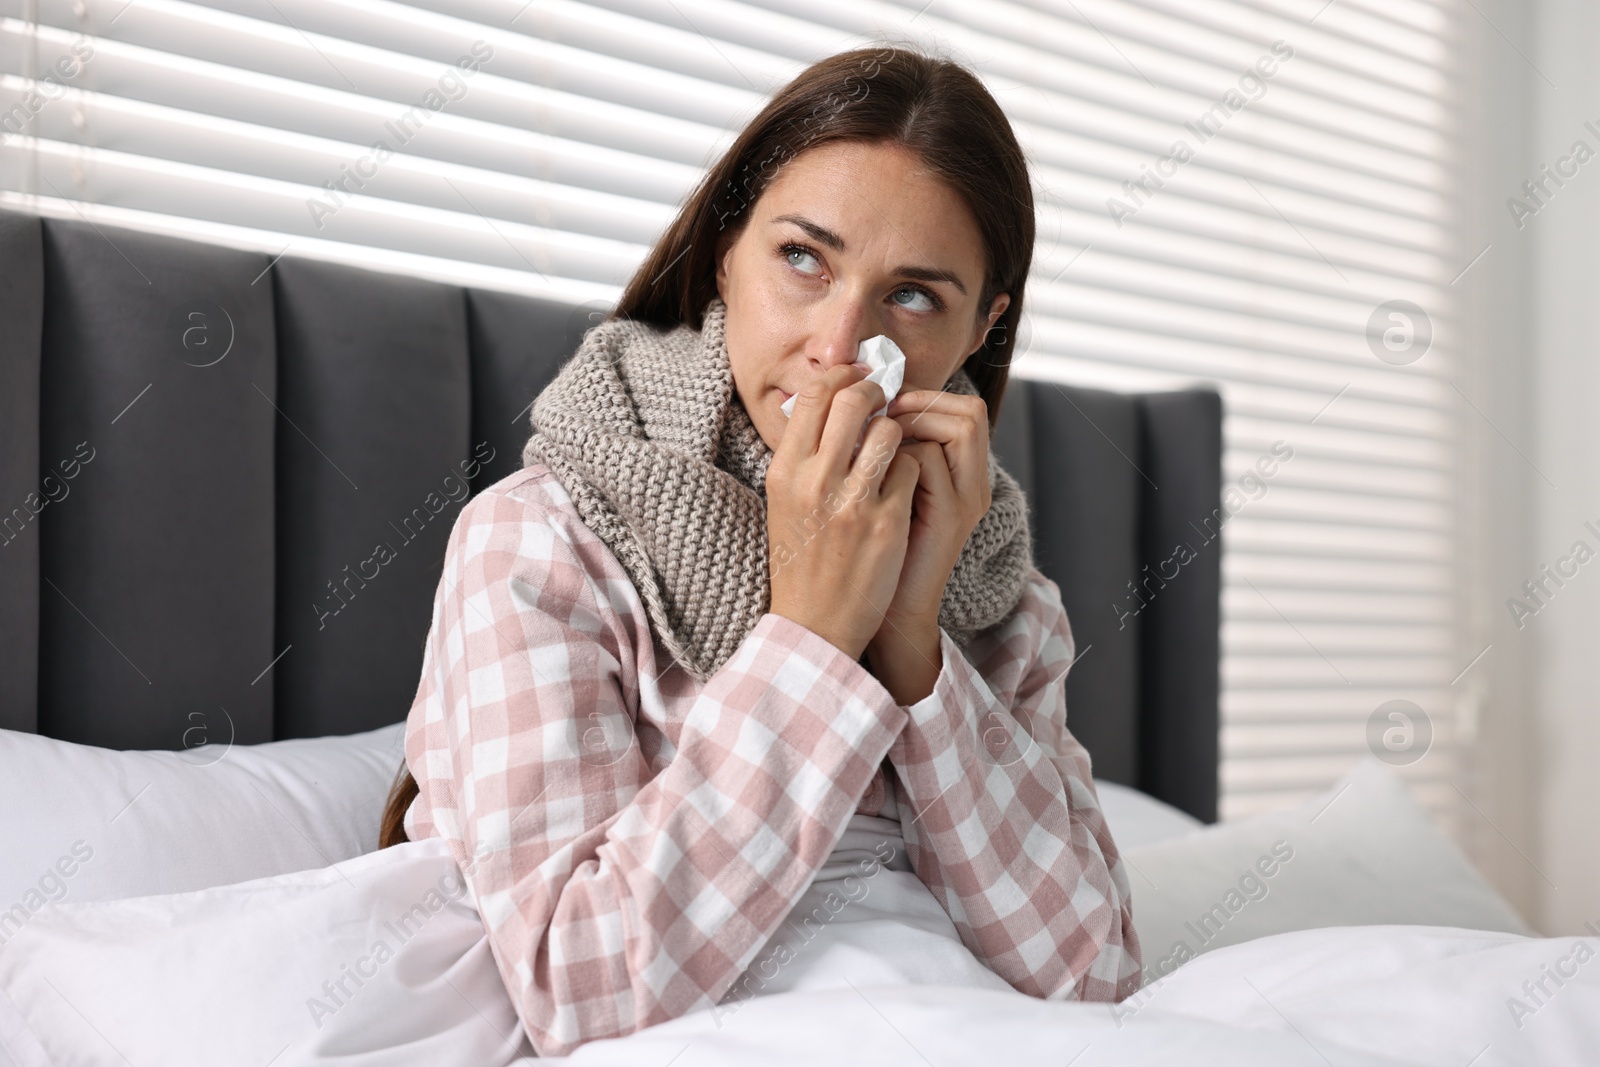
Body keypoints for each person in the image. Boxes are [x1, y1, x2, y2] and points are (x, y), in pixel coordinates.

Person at [379, 41, 1141, 1057]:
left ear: (979, 329)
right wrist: (818, 635)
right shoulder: (543, 538)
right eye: (802, 258)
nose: (839, 342)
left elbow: (1093, 977)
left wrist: (912, 638)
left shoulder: (1003, 596)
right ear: (725, 251)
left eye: (913, 296)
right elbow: (583, 986)